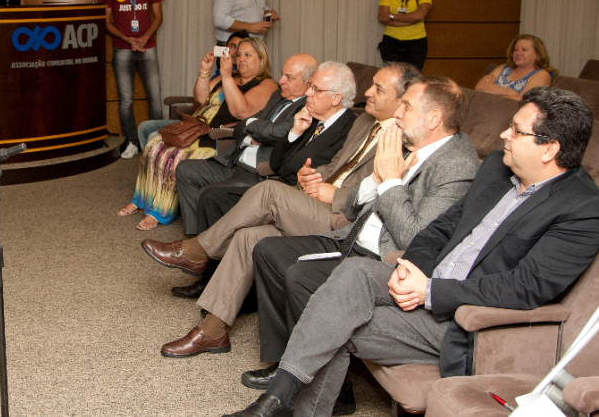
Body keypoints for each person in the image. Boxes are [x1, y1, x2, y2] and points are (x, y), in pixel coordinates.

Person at [225, 87, 599, 417]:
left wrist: (431, 291)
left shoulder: (581, 209)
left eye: (516, 130)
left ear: (550, 148)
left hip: (467, 320)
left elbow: (526, 287)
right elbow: (442, 228)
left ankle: (275, 403)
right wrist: (411, 266)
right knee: (353, 273)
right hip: (426, 283)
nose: (503, 134)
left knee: (336, 322)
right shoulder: (499, 172)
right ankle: (278, 398)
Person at [140, 63, 418, 356]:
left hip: (345, 220)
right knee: (249, 236)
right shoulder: (365, 122)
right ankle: (212, 332)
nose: (368, 92)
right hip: (316, 200)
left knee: (268, 192)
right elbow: (336, 164)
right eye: (371, 85)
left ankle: (197, 251)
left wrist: (335, 194)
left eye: (378, 88)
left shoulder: (403, 138)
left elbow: (383, 194)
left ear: (402, 99)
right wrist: (314, 176)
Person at [244, 75, 479, 395]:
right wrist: (378, 178)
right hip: (353, 236)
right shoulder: (407, 144)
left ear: (433, 118)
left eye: (406, 107)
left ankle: (330, 390)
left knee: (301, 275)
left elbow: (416, 238)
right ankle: (285, 361)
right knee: (268, 251)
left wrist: (392, 181)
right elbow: (353, 207)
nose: (397, 113)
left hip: (382, 258)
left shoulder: (456, 164)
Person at [118, 38, 277, 231]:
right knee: (154, 145)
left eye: (247, 55)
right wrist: (204, 71)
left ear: (261, 59)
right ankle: (142, 199)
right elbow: (201, 99)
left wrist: (226, 77)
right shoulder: (229, 77)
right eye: (238, 55)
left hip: (219, 138)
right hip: (197, 129)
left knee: (173, 156)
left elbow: (241, 111)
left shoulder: (267, 84)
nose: (240, 59)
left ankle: (161, 211)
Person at [174, 54, 318, 236]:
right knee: (186, 169)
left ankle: (206, 246)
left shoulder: (307, 107)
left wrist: (255, 127)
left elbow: (275, 132)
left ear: (309, 82)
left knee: (209, 194)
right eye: (282, 74)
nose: (281, 81)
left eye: (289, 77)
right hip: (234, 160)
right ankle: (195, 235)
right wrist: (251, 134)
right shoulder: (278, 97)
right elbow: (244, 123)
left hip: (257, 172)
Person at [99, 0, 166, 159]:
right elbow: (106, 22)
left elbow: (158, 17)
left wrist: (144, 38)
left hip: (148, 48)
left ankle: (155, 143)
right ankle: (131, 141)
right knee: (126, 99)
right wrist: (128, 39)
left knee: (155, 98)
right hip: (122, 48)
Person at [137, 31, 249, 148]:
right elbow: (200, 98)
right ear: (225, 49)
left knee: (154, 137)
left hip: (209, 127)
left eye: (241, 48)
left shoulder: (244, 78)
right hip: (196, 121)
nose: (236, 52)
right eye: (233, 46)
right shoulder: (221, 74)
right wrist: (204, 70)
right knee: (144, 128)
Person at [475, 34, 554, 100]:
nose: (518, 53)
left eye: (524, 49)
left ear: (538, 55)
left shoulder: (542, 75)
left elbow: (522, 100)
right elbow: (479, 87)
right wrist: (511, 92)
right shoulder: (503, 68)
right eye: (516, 49)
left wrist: (491, 90)